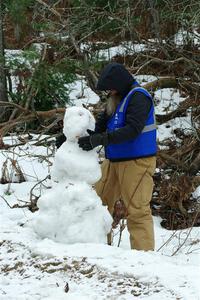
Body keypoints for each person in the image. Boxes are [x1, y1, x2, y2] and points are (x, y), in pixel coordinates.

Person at [78, 62, 157, 251]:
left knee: (137, 211)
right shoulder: (117, 98)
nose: (110, 92)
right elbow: (99, 127)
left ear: (120, 83)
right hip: (112, 162)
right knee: (98, 205)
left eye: (111, 88)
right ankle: (101, 251)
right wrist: (72, 137)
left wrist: (101, 139)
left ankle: (144, 258)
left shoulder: (138, 97)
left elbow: (133, 130)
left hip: (137, 163)